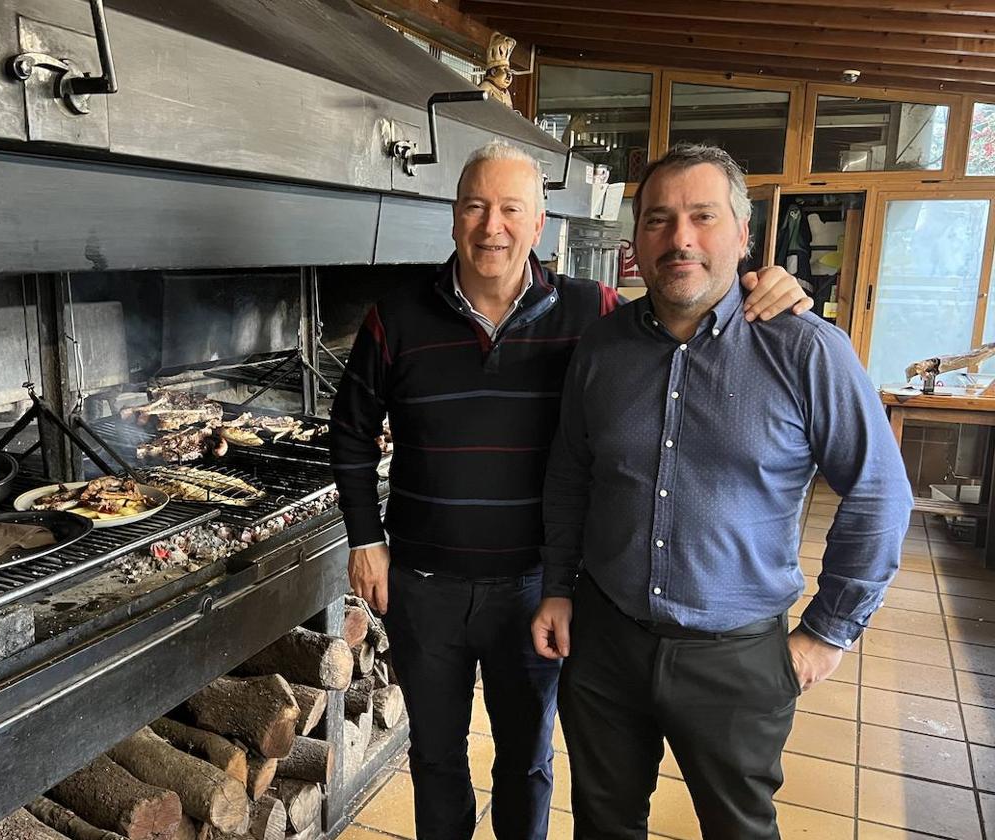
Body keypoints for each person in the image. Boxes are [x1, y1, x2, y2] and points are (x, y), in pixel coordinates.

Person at [330, 140, 811, 840]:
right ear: (454, 219)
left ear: (539, 224)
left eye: (510, 210)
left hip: (537, 589)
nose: (491, 225)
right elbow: (348, 432)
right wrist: (366, 540)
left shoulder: (595, 311)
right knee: (435, 757)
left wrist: (755, 288)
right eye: (474, 207)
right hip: (424, 588)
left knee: (526, 761)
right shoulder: (396, 318)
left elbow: (681, 307)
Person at [531, 142, 913, 840]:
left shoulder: (806, 350)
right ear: (636, 240)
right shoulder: (601, 347)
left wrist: (828, 633)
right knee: (602, 825)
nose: (680, 238)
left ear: (742, 234)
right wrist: (559, 586)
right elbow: (570, 475)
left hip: (735, 659)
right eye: (658, 219)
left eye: (703, 216)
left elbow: (880, 495)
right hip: (606, 641)